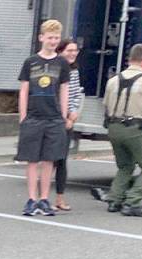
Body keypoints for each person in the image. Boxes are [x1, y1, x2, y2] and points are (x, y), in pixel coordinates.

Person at [99, 43, 142, 216]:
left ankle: (114, 200)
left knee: (125, 166)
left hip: (113, 128)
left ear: (129, 59)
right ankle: (132, 202)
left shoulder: (113, 80)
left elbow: (105, 105)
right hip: (134, 128)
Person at [16, 19, 70, 217]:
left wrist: (63, 116)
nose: (53, 41)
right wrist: (23, 116)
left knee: (49, 160)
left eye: (56, 38)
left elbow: (64, 89)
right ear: (41, 38)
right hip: (33, 117)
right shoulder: (31, 62)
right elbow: (24, 90)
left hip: (54, 118)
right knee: (32, 160)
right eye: (50, 37)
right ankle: (31, 199)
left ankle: (45, 198)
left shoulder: (62, 63)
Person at [52, 38, 83, 211]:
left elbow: (76, 94)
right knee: (50, 159)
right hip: (55, 118)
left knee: (62, 161)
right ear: (60, 51)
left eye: (75, 50)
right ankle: (42, 197)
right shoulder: (55, 70)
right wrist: (62, 116)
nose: (72, 54)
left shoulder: (74, 71)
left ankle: (60, 198)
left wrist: (73, 113)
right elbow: (54, 95)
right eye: (69, 50)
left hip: (68, 120)